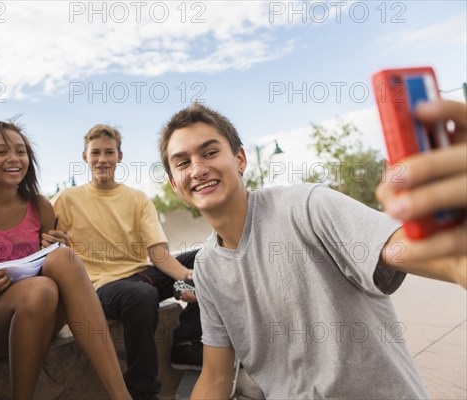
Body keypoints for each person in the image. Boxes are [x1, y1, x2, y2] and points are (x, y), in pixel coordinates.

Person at [158, 101, 466, 398]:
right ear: (175, 183)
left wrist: (455, 256)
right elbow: (216, 376)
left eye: (210, 152)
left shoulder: (306, 206)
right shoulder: (209, 268)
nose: (197, 169)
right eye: (183, 163)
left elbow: (414, 252)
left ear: (240, 159)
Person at [0, 121, 131, 399]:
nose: (14, 159)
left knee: (62, 258)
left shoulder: (40, 206)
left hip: (44, 321)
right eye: (1, 152)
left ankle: (121, 395)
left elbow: (57, 269)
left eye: (20, 151)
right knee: (39, 289)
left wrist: (60, 249)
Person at [48, 124, 202, 400]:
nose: (102, 159)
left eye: (109, 152)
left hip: (141, 274)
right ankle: (143, 390)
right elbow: (43, 240)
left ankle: (187, 339)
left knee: (205, 257)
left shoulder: (138, 199)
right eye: (95, 153)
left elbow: (157, 253)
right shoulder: (66, 199)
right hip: (99, 286)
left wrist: (186, 276)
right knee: (140, 295)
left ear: (120, 156)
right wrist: (52, 243)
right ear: (85, 157)